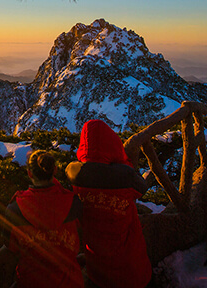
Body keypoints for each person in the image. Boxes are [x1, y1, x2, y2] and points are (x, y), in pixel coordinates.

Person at [66, 119, 151, 288]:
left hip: (97, 270)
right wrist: (122, 163)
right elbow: (142, 188)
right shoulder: (125, 177)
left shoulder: (76, 176)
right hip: (131, 270)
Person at [3, 150, 84, 288]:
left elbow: (10, 245)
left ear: (29, 174)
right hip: (70, 282)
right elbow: (82, 237)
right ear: (55, 171)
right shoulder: (73, 203)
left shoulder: (15, 209)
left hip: (30, 282)